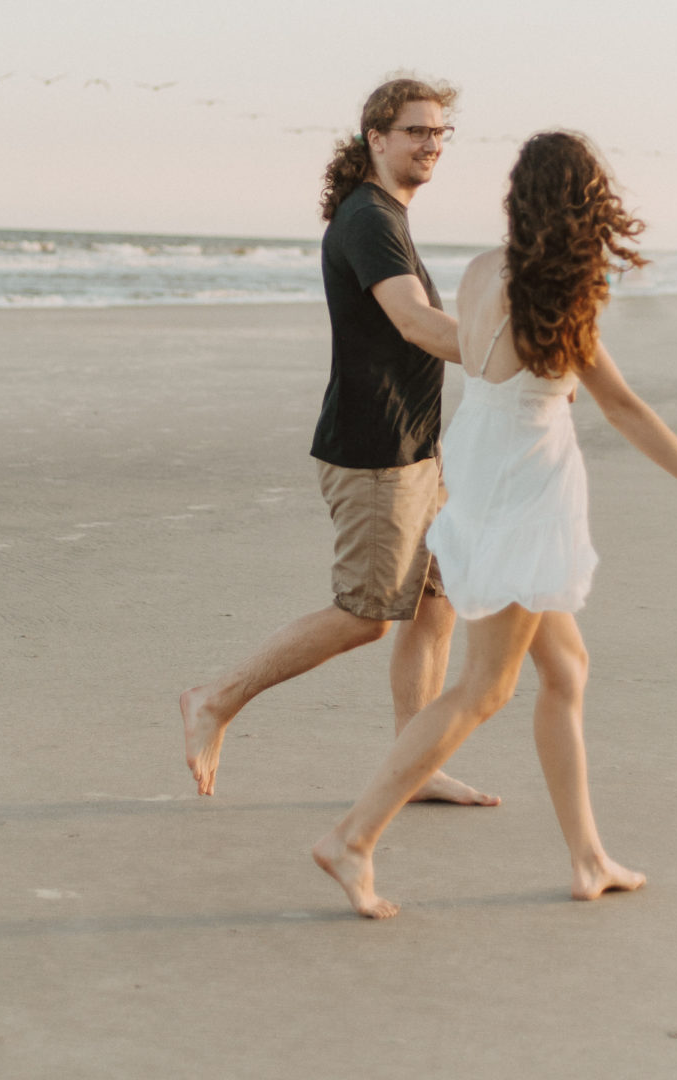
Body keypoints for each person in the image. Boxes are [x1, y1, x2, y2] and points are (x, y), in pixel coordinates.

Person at [313, 130, 677, 918]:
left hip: (482, 466)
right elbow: (620, 404)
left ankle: (588, 858)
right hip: (527, 486)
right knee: (486, 689)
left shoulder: (485, 268)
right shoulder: (565, 289)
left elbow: (492, 363)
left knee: (567, 671)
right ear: (587, 202)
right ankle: (352, 837)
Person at [181, 76, 497, 806]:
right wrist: (513, 356)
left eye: (439, 133)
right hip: (375, 456)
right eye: (416, 131)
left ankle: (413, 765)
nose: (430, 144)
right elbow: (415, 324)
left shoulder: (386, 215)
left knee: (434, 604)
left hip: (416, 450)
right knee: (365, 617)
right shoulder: (368, 221)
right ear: (375, 138)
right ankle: (215, 700)